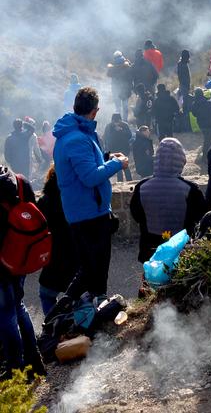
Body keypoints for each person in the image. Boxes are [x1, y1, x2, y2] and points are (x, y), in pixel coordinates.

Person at [53, 87, 128, 302]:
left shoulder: (77, 132)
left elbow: (84, 166)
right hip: (89, 215)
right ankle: (74, 313)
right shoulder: (77, 138)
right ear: (95, 111)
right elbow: (89, 177)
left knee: (90, 270)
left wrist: (106, 157)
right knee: (93, 272)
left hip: (87, 211)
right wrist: (117, 163)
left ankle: (88, 309)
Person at [130, 138, 205, 263]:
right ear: (181, 161)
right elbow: (199, 217)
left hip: (150, 252)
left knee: (151, 281)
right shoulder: (190, 189)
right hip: (181, 252)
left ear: (157, 160)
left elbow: (137, 215)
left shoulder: (142, 187)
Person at [0, 166, 44, 375]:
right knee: (18, 305)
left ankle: (15, 370)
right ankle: (35, 361)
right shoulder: (19, 180)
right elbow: (33, 212)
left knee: (5, 315)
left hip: (0, 262)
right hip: (20, 257)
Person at [36, 166, 78, 316]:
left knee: (46, 295)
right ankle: (75, 330)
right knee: (77, 297)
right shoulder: (77, 197)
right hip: (77, 256)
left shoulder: (44, 201)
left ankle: (52, 328)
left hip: (53, 258)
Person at [192, 88, 211, 165]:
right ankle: (210, 156)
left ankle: (205, 157)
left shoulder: (194, 104)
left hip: (202, 125)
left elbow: (194, 114)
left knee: (207, 140)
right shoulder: (209, 103)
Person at [103, 114, 133, 182]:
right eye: (115, 121)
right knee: (118, 168)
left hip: (124, 149)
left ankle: (130, 181)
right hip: (114, 150)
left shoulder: (124, 125)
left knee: (126, 166)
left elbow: (129, 135)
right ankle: (120, 182)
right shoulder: (109, 126)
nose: (117, 123)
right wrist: (107, 149)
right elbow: (106, 138)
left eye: (118, 121)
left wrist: (121, 130)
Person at [106, 52, 133, 120]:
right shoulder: (126, 64)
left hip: (116, 88)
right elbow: (131, 75)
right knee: (125, 106)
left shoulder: (113, 65)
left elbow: (108, 74)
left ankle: (118, 120)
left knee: (118, 107)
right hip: (125, 88)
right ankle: (125, 120)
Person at [176, 49, 192, 132]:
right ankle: (186, 127)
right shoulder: (183, 65)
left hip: (183, 85)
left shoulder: (180, 63)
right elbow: (184, 78)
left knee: (183, 104)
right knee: (185, 106)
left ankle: (185, 125)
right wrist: (187, 86)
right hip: (184, 86)